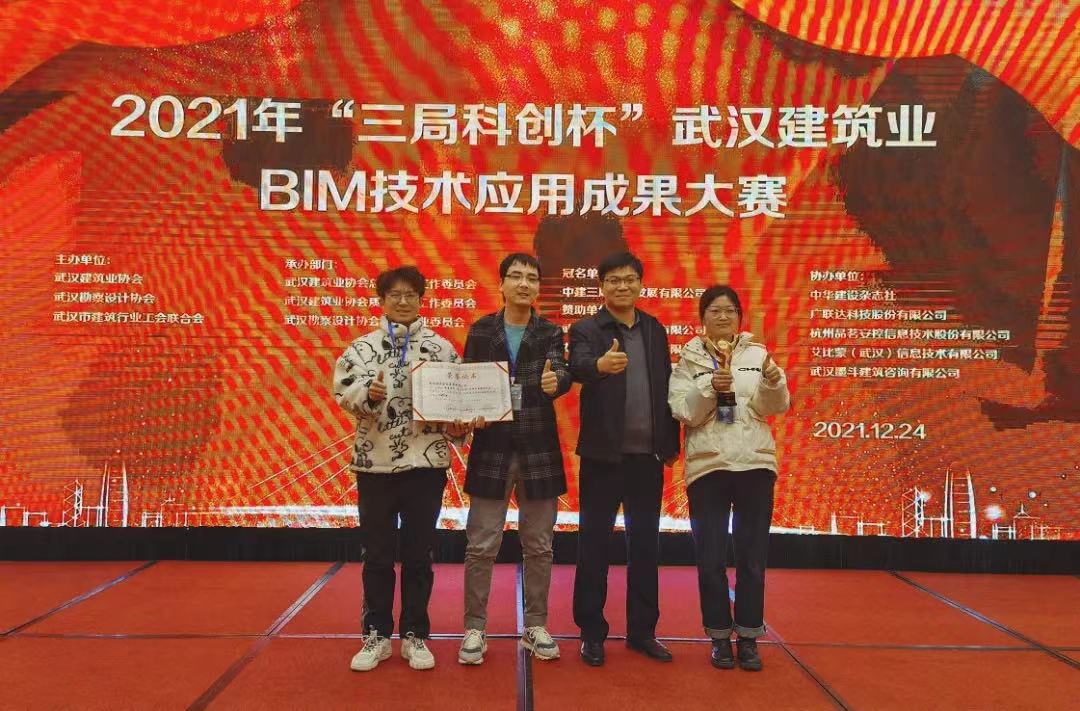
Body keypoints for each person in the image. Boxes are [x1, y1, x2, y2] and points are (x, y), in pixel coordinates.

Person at [332, 265, 468, 672]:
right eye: (395, 295)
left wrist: (461, 422)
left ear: (421, 300)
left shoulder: (442, 349)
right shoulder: (361, 349)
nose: (404, 301)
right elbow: (342, 391)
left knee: (419, 555)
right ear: (382, 300)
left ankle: (414, 634)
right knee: (376, 555)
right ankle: (376, 634)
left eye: (411, 294)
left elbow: (459, 402)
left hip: (425, 464)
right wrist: (369, 394)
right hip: (374, 465)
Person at [667, 285, 789, 671]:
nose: (723, 317)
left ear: (739, 317)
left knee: (752, 559)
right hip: (709, 467)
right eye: (715, 310)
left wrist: (772, 382)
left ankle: (749, 637)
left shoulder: (757, 354)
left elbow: (775, 406)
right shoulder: (688, 359)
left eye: (730, 311)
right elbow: (683, 411)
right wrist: (708, 386)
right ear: (702, 318)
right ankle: (719, 636)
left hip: (755, 464)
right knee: (710, 559)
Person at [458, 253, 572, 665]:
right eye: (516, 276)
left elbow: (562, 373)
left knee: (539, 545)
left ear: (538, 287)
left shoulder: (550, 331)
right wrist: (468, 413)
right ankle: (474, 628)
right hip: (491, 447)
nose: (524, 284)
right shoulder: (481, 330)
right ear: (502, 284)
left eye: (532, 278)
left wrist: (556, 382)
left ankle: (536, 625)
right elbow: (465, 383)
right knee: (481, 544)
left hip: (539, 448)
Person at [568, 251, 680, 666]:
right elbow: (577, 367)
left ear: (640, 283)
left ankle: (642, 631)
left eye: (629, 279)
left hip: (646, 458)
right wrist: (600, 365)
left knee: (646, 547)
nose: (622, 286)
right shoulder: (586, 328)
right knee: (593, 546)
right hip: (602, 457)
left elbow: (666, 387)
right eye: (613, 280)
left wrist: (669, 444)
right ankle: (591, 632)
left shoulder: (654, 329)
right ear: (601, 286)